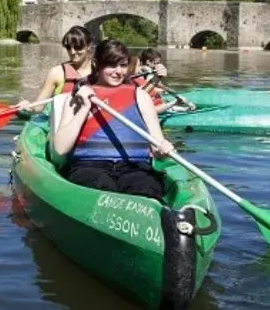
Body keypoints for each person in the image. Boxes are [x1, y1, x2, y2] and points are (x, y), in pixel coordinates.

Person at [50, 38, 175, 200]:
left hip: (134, 167)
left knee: (145, 188)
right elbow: (60, 148)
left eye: (123, 65)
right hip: (89, 166)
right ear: (97, 65)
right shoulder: (78, 97)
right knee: (100, 186)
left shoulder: (141, 97)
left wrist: (163, 149)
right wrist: (84, 107)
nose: (118, 71)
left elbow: (157, 147)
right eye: (111, 65)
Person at [19, 25, 93, 113]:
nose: (72, 52)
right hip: (63, 122)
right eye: (68, 47)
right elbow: (38, 107)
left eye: (78, 47)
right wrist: (28, 106)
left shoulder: (101, 70)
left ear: (88, 46)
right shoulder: (57, 73)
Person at [130, 48, 191, 114]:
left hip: (157, 104)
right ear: (148, 62)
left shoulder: (145, 75)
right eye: (156, 63)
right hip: (154, 107)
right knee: (189, 109)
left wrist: (176, 96)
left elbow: (162, 86)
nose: (141, 67)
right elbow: (141, 93)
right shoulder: (146, 74)